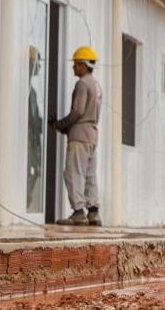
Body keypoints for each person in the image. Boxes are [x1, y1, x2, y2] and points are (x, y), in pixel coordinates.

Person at [51, 46, 103, 226]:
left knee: (73, 173)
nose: (73, 67)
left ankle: (79, 212)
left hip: (79, 137)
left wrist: (59, 124)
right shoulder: (96, 85)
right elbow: (89, 114)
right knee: (89, 175)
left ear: (82, 64)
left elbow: (78, 112)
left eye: (75, 64)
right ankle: (93, 212)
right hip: (92, 136)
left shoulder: (82, 84)